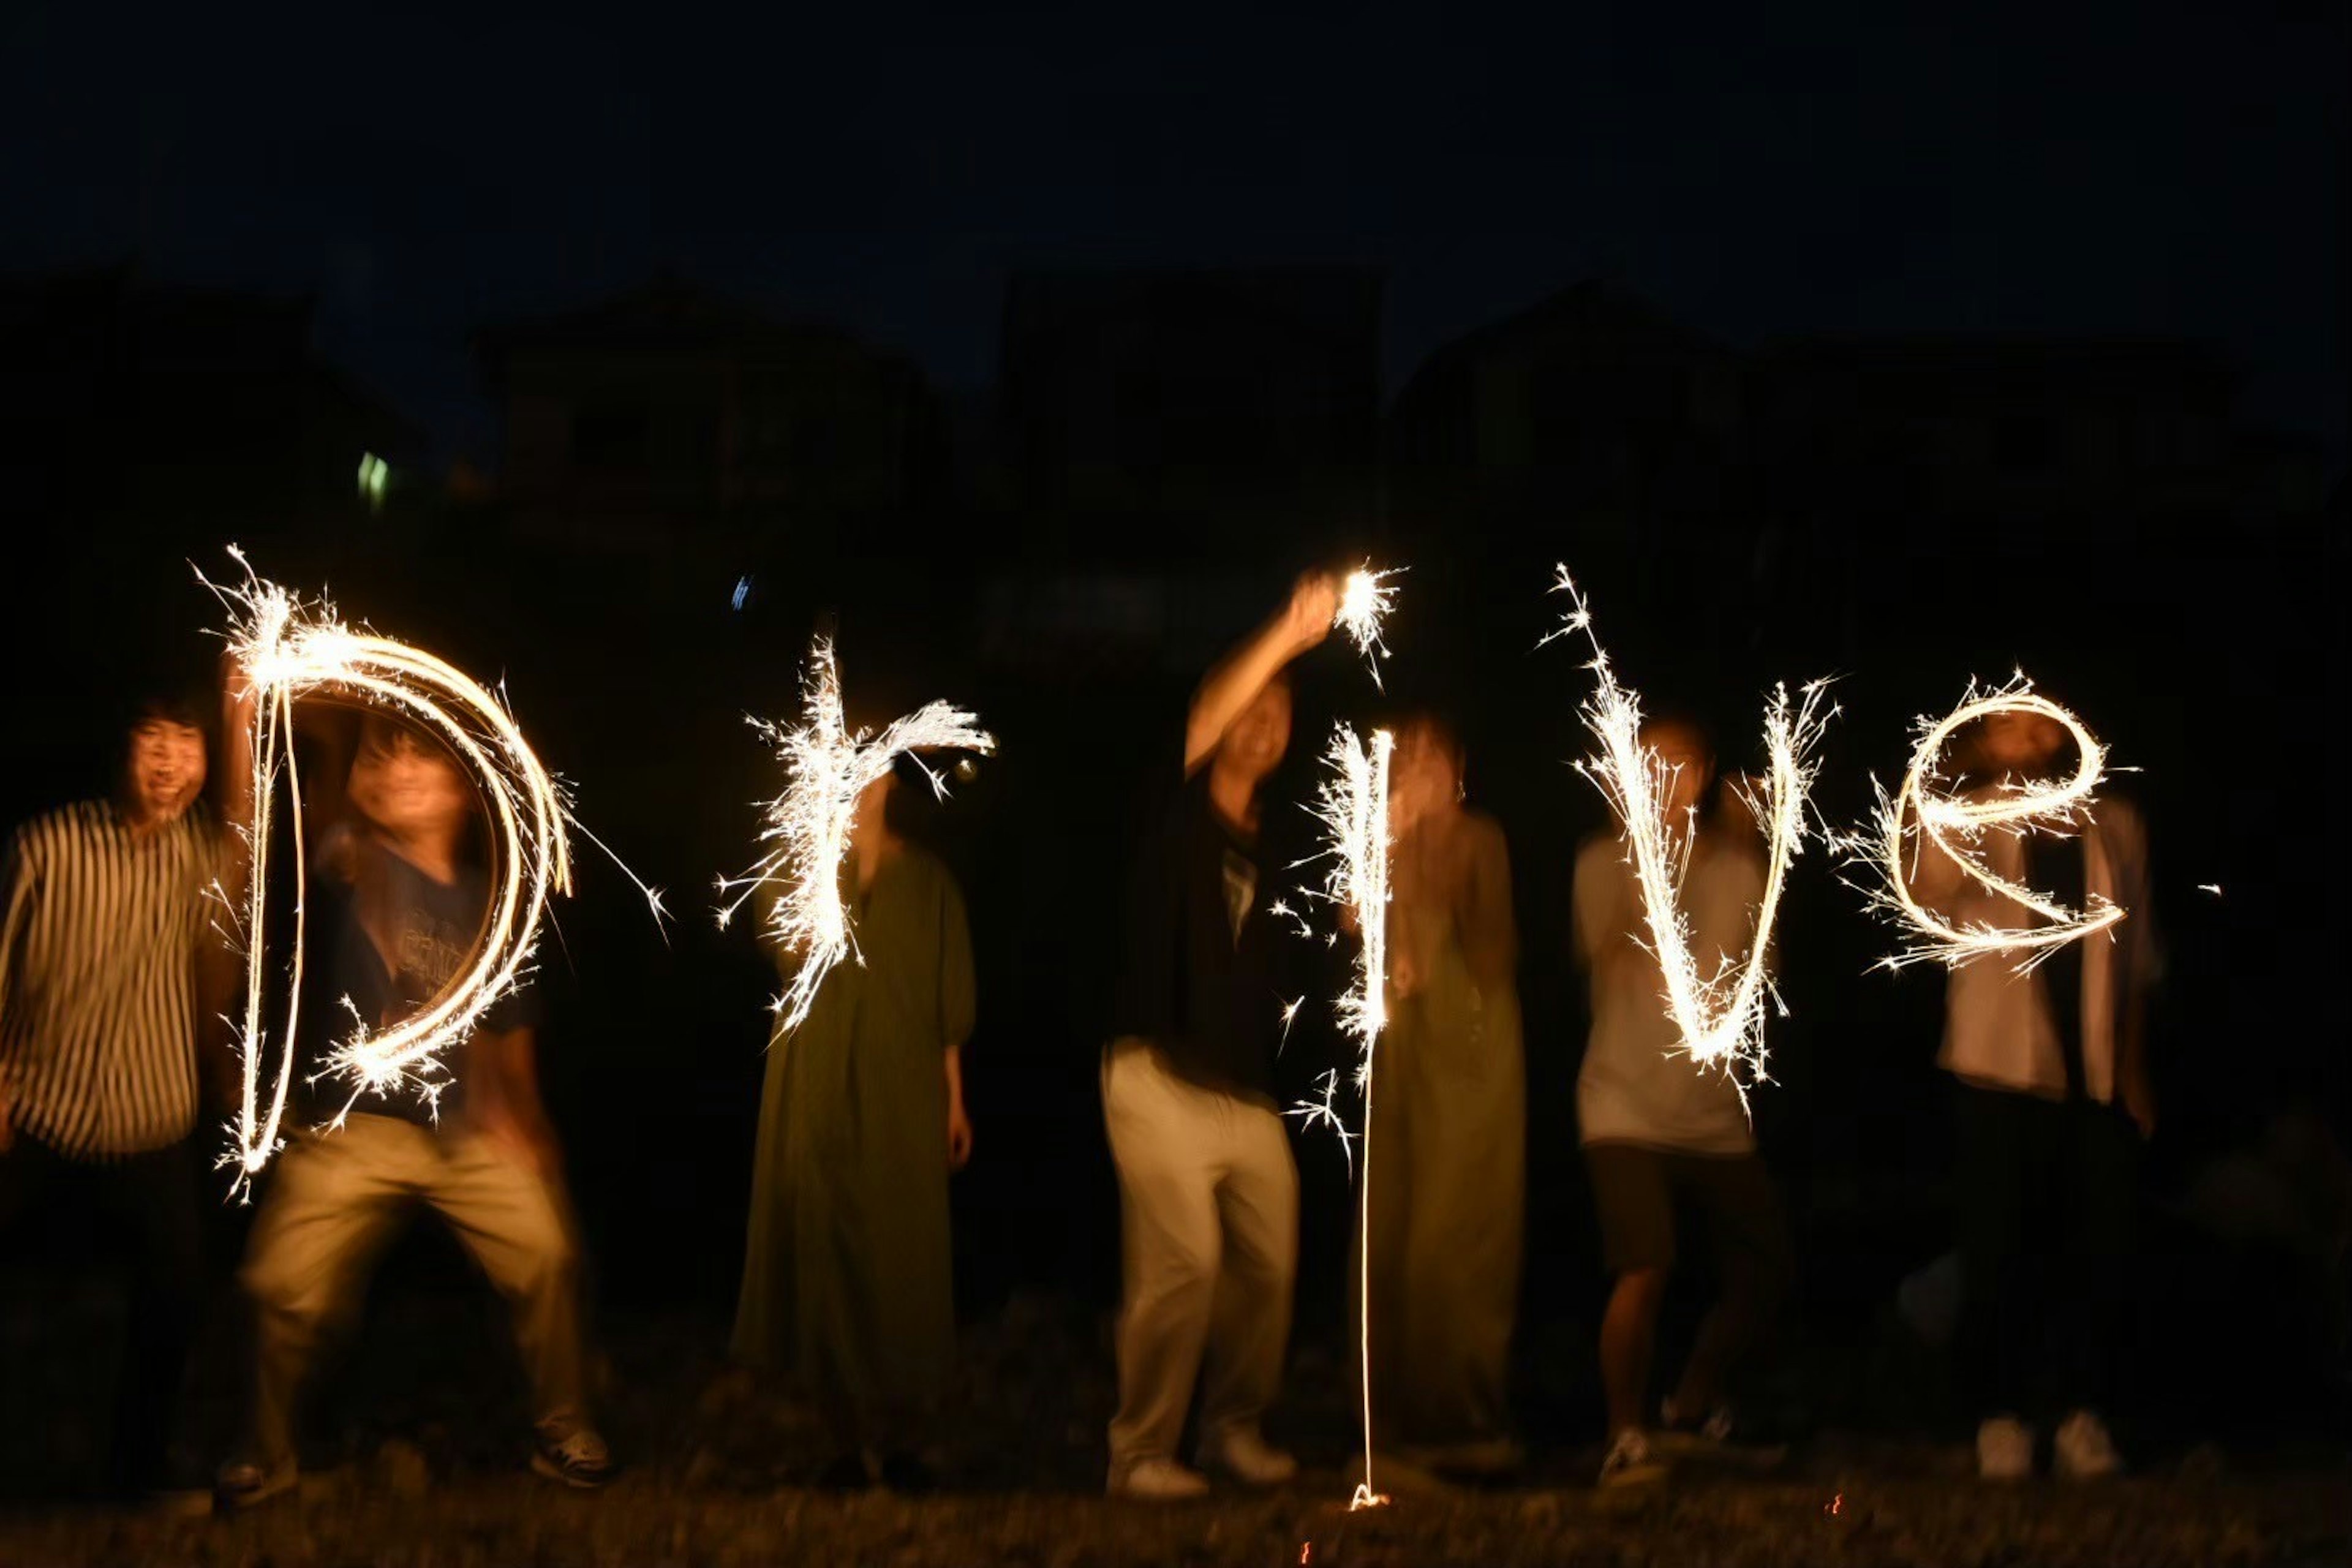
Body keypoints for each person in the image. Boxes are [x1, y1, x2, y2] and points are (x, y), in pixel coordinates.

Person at [216, 715, 613, 1507]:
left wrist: (527, 1125)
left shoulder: (488, 908)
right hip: (357, 1128)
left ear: (465, 792)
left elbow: (511, 1035)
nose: (400, 774)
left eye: (421, 764)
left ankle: (564, 1430)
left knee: (547, 1255)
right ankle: (267, 1451)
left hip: (463, 1130)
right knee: (278, 1286)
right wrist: (240, 717)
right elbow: (261, 820)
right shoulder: (356, 856)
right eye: (385, 762)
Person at [1101, 570, 1338, 1501]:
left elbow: (1299, 970)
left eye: (1283, 714)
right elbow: (1210, 705)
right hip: (1154, 1072)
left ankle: (1235, 1427)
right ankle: (1140, 1454)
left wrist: (1354, 928)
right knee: (1185, 1262)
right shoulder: (1175, 802)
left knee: (1271, 1260)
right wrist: (1287, 633)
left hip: (1243, 1092)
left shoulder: (1279, 843)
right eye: (1254, 705)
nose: (1264, 722)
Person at [1908, 703, 2159, 1480]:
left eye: (2038, 722)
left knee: (2096, 1249)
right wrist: (1960, 784)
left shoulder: (2115, 821)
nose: (2027, 735)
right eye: (2007, 725)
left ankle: (2082, 1415)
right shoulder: (1968, 814)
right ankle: (2000, 1417)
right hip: (1997, 1069)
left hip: (2093, 1073)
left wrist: (2134, 1070)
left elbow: (2137, 956)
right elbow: (1925, 893)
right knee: (1998, 1249)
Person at [0, 687, 221, 1501]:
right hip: (36, 1109)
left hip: (150, 1117)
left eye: (187, 741)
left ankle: (136, 1472)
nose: (170, 762)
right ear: (120, 746)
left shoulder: (201, 857)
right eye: (152, 737)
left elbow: (259, 826)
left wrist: (244, 697)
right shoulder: (45, 846)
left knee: (177, 1292)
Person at [733, 764, 977, 1491]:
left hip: (902, 1085)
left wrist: (954, 1100)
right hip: (814, 1076)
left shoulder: (930, 881)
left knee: (902, 1250)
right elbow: (787, 953)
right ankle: (839, 1445)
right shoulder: (798, 865)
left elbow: (946, 998)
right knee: (822, 1251)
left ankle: (899, 1441)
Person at [1572, 713, 1794, 1488]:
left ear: (1700, 778)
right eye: (1649, 767)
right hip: (1622, 1105)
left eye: (1679, 767)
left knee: (1767, 1266)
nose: (1665, 781)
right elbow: (1613, 950)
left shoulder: (1738, 869)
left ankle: (1693, 1400)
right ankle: (1624, 1433)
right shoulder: (1602, 861)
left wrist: (1756, 848)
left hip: (1711, 1113)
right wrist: (1647, 853)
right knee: (1645, 1262)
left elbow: (1763, 974)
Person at [1359, 712, 1525, 1474]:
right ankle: (1387, 1418)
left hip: (1470, 1048)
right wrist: (1387, 844)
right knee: (1390, 1224)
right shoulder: (1381, 838)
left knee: (1454, 1231)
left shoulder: (1479, 836)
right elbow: (1350, 923)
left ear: (1457, 766)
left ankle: (1459, 1413)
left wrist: (1434, 872)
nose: (1418, 765)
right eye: (1407, 754)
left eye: (1434, 752)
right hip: (1402, 1055)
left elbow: (1494, 953)